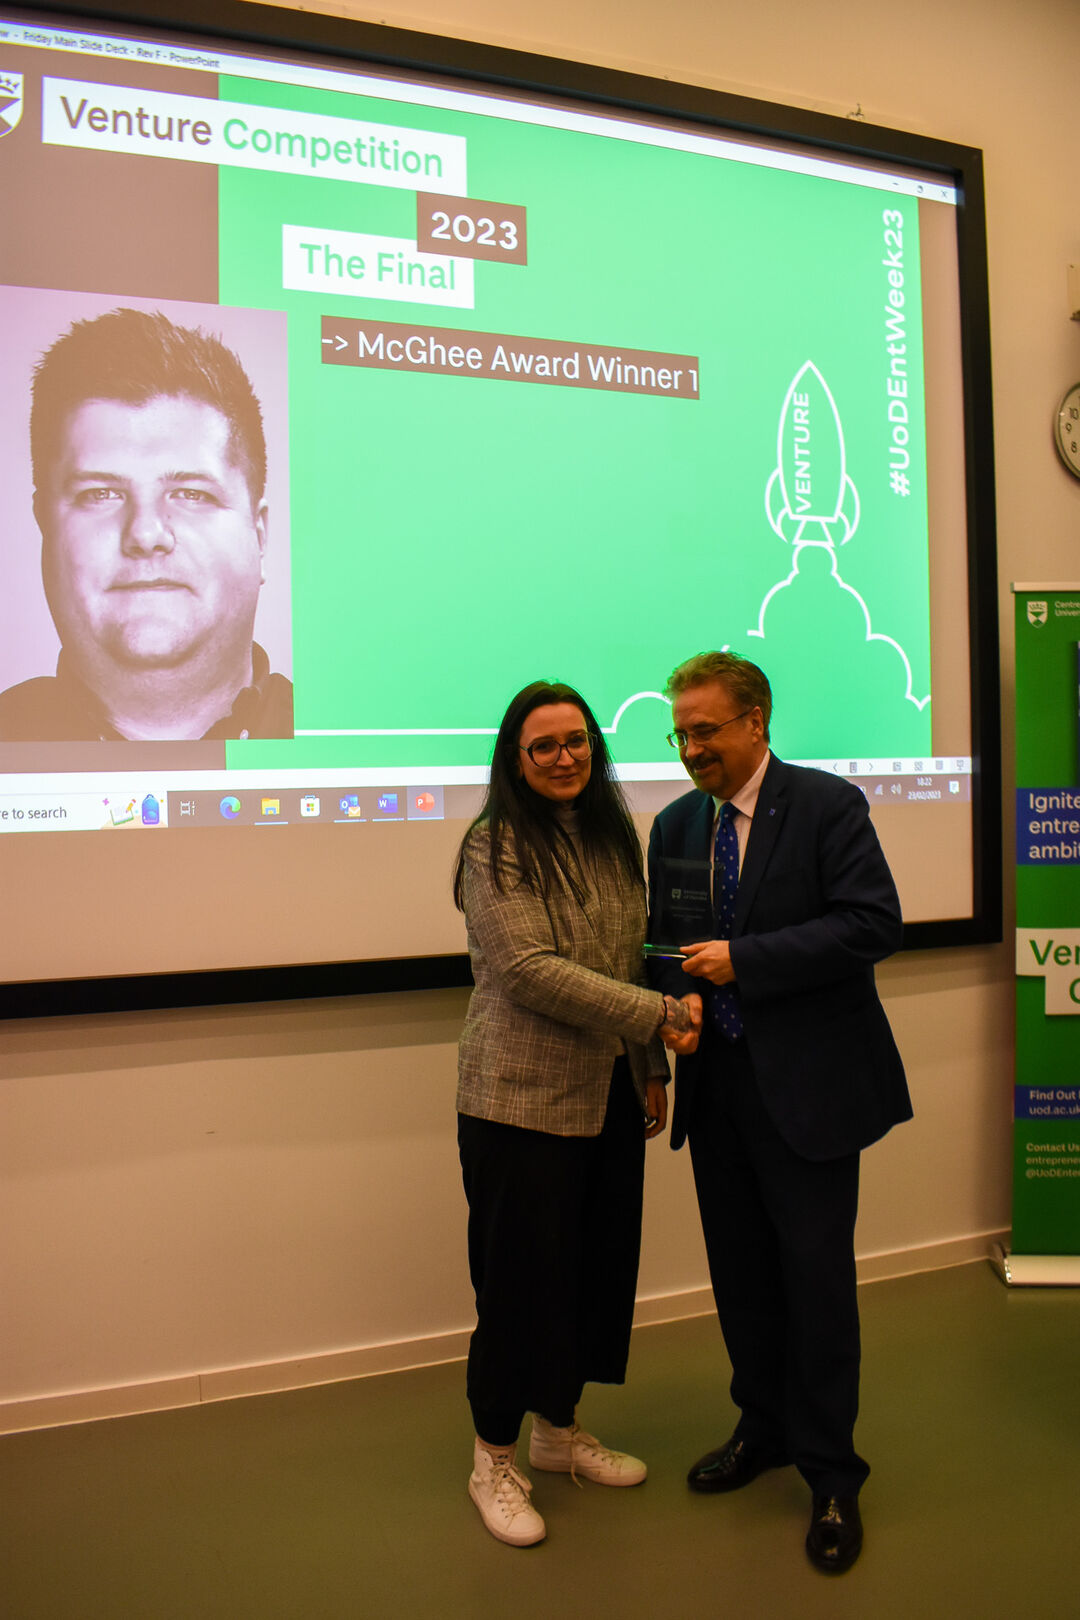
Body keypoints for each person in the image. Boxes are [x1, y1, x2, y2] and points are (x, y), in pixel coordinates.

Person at [646, 651, 911, 1575]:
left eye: (706, 730)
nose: (690, 749)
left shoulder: (827, 806)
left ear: (757, 720)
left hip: (812, 1092)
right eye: (680, 733)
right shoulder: (678, 825)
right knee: (743, 1279)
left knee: (816, 1286)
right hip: (717, 1092)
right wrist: (668, 1021)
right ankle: (761, 1429)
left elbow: (873, 923)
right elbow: (664, 949)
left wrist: (745, 964)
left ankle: (833, 1474)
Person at [453, 679, 699, 1547]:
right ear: (514, 760)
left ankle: (558, 1435)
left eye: (576, 742)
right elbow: (530, 970)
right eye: (543, 746)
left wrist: (649, 1067)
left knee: (592, 1275)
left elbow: (625, 960)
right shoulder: (493, 847)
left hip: (604, 1096)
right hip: (516, 1103)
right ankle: (494, 1460)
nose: (564, 758)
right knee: (519, 1288)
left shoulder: (607, 837)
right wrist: (662, 1018)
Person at [0, 307, 292, 741]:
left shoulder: (356, 735)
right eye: (100, 494)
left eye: (192, 494)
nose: (145, 534)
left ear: (260, 533)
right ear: (45, 525)